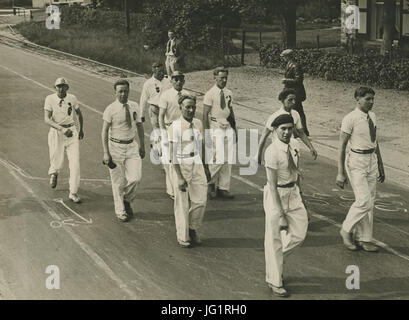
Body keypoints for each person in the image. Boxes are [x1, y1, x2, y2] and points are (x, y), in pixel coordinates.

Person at [263, 113, 308, 298]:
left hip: (293, 193)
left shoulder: (295, 145)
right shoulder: (271, 152)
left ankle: (276, 262)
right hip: (277, 195)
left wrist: (302, 196)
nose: (287, 132)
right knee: (274, 239)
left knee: (300, 233)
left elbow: (296, 172)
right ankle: (275, 280)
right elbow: (272, 185)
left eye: (290, 128)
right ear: (275, 130)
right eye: (283, 129)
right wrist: (281, 214)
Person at [336, 87, 385, 252]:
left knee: (370, 201)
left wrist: (380, 165)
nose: (371, 102)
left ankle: (364, 238)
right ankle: (346, 229)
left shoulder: (373, 116)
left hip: (372, 160)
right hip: (356, 161)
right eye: (368, 99)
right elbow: (342, 146)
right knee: (364, 200)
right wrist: (340, 172)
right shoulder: (350, 119)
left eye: (372, 99)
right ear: (357, 98)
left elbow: (375, 142)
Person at [168, 94, 211, 248]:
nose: (191, 110)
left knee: (200, 201)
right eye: (188, 107)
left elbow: (201, 146)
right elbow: (172, 154)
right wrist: (179, 177)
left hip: (197, 163)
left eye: (193, 107)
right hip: (182, 163)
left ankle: (192, 228)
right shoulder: (175, 126)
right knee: (182, 204)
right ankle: (183, 236)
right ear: (181, 108)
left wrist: (206, 167)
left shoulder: (198, 123)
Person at [101, 79, 145, 222]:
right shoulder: (110, 109)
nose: (123, 94)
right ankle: (120, 211)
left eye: (126, 91)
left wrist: (142, 145)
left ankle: (127, 199)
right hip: (115, 147)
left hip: (132, 146)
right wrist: (106, 153)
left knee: (135, 178)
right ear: (115, 93)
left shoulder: (134, 106)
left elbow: (139, 126)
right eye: (120, 91)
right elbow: (104, 132)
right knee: (118, 182)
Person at [44, 77, 84, 203]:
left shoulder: (72, 98)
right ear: (55, 87)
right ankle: (54, 173)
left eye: (63, 86)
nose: (61, 89)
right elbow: (47, 119)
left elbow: (79, 113)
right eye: (58, 86)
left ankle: (73, 192)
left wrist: (81, 129)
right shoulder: (49, 99)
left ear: (67, 87)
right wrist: (61, 129)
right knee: (56, 158)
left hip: (71, 132)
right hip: (57, 132)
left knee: (75, 163)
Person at [257, 88, 317, 166]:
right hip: (278, 151)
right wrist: (258, 157)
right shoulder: (275, 116)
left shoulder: (296, 114)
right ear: (283, 100)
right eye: (290, 100)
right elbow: (264, 137)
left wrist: (311, 147)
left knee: (293, 175)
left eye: (294, 100)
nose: (293, 102)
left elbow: (301, 133)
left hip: (291, 150)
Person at [203, 67, 236, 199]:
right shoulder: (210, 93)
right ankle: (210, 184)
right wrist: (207, 134)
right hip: (215, 125)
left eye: (225, 77)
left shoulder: (229, 93)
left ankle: (223, 187)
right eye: (221, 77)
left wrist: (235, 128)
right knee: (218, 158)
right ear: (215, 77)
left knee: (228, 159)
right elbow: (205, 114)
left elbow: (231, 110)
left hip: (227, 125)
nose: (224, 80)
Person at [159, 71, 190, 200]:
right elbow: (161, 115)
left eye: (180, 79)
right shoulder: (166, 95)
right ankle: (171, 190)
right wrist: (163, 132)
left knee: (183, 160)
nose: (178, 82)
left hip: (183, 130)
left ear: (184, 81)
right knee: (170, 162)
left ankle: (183, 185)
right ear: (171, 81)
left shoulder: (186, 95)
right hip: (169, 128)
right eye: (175, 79)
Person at [280, 49, 310, 136]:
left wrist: (286, 80)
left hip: (296, 92)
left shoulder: (295, 65)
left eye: (284, 57)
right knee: (295, 111)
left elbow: (298, 80)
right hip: (291, 91)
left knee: (297, 111)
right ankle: (301, 131)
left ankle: (301, 131)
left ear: (288, 57)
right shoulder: (289, 64)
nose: (283, 59)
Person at [139, 62, 171, 129]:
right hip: (155, 109)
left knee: (167, 130)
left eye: (163, 71)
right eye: (159, 71)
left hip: (166, 109)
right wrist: (142, 114)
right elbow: (143, 99)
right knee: (157, 131)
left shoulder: (169, 80)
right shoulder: (148, 83)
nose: (162, 73)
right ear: (154, 71)